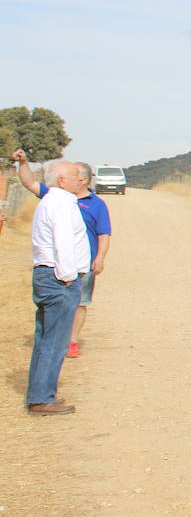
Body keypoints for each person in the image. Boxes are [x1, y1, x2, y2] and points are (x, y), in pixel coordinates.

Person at [12, 152, 112, 358]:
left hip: (84, 264)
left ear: (83, 180)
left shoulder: (97, 204)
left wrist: (100, 257)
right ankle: (53, 343)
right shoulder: (55, 195)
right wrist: (22, 163)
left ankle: (72, 340)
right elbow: (29, 183)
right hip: (57, 266)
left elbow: (104, 233)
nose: (75, 177)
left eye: (76, 174)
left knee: (81, 302)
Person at [26, 161, 89, 415]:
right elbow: (63, 243)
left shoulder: (53, 202)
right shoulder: (61, 204)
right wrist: (67, 277)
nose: (81, 179)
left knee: (46, 340)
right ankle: (42, 397)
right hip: (58, 279)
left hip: (48, 276)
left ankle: (41, 394)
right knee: (54, 341)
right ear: (62, 180)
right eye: (75, 175)